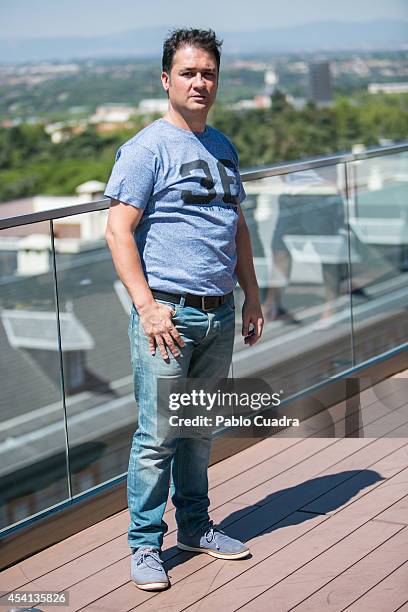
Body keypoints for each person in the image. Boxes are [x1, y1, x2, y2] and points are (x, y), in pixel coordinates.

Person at [104, 28, 264, 591]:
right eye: (189, 73)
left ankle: (195, 527)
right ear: (166, 79)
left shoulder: (222, 145)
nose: (200, 82)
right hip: (166, 318)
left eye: (209, 73)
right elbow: (118, 230)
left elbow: (236, 226)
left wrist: (252, 294)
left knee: (197, 429)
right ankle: (145, 546)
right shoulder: (147, 148)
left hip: (219, 312)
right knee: (157, 436)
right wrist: (147, 308)